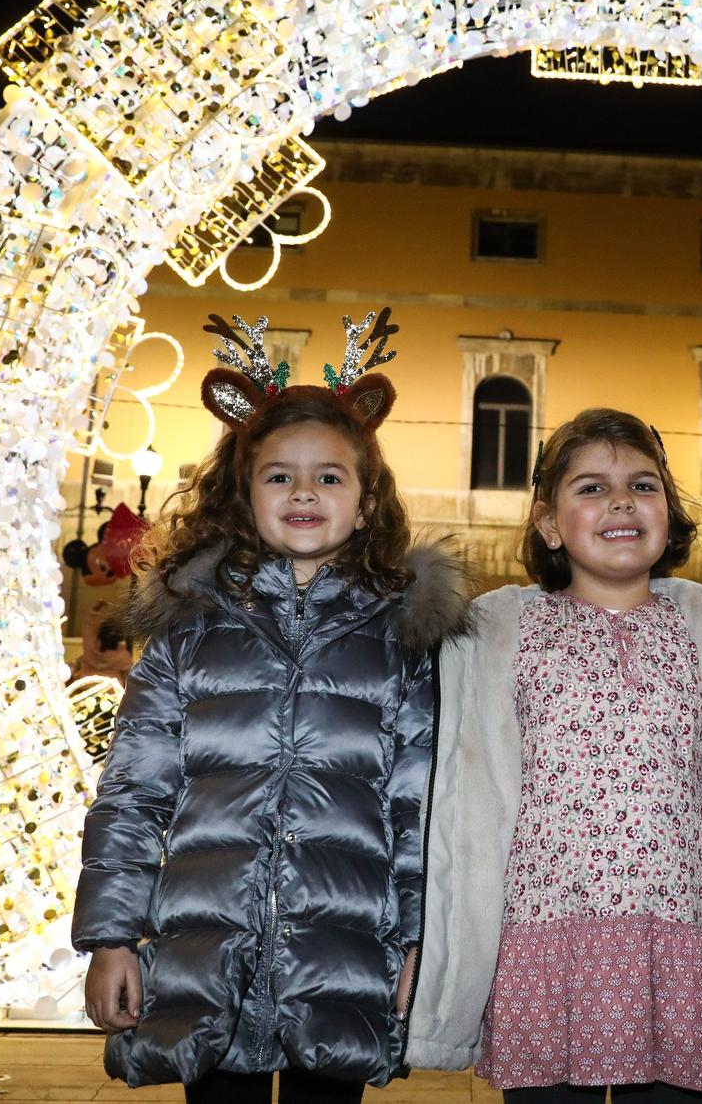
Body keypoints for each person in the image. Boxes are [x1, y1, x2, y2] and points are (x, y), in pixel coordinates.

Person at [72, 310, 465, 1103]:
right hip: (205, 957)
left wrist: (425, 937)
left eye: (330, 475)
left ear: (366, 497)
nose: (304, 492)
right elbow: (133, 792)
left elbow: (422, 807)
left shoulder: (404, 638)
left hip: (344, 955)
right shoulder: (188, 630)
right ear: (242, 491)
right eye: (279, 474)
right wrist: (112, 936)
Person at [407, 408, 702, 1103]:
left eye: (643, 485)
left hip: (676, 941)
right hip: (545, 942)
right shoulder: (501, 632)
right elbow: (465, 793)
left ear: (668, 512)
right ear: (549, 523)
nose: (621, 502)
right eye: (591, 488)